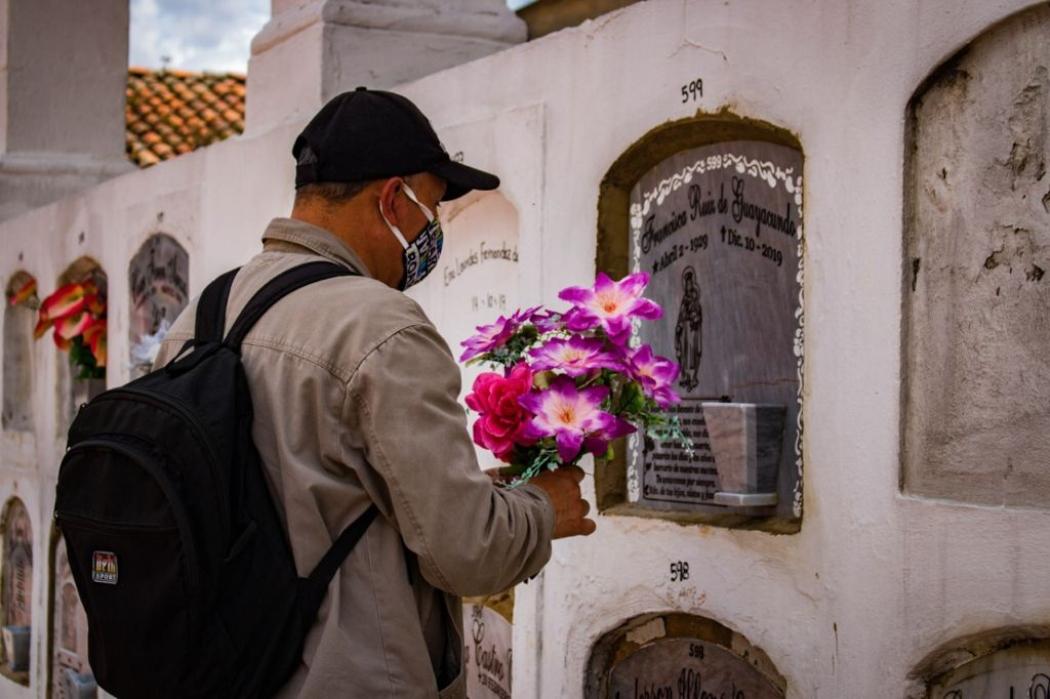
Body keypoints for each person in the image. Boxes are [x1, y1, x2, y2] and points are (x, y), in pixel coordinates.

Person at [152, 88, 594, 698]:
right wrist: (545, 508)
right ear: (392, 198)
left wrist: (472, 494)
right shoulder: (381, 327)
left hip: (222, 672)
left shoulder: (201, 317)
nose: (431, 231)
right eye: (430, 209)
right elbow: (468, 553)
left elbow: (310, 491)